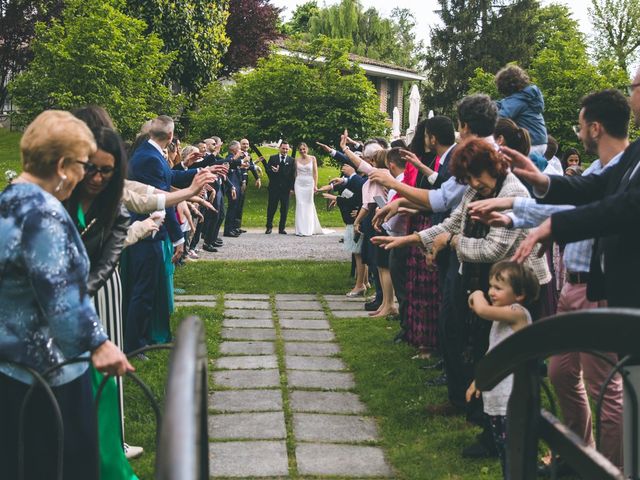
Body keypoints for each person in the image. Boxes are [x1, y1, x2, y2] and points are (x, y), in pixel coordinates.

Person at [475, 88, 631, 471]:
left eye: (579, 126)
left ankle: (607, 467)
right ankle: (576, 451)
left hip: (601, 287)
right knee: (561, 374)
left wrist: (517, 208)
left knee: (605, 389)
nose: (577, 133)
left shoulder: (627, 166)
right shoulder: (601, 169)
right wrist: (522, 202)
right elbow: (576, 193)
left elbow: (597, 208)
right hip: (573, 286)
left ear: (594, 128)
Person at [372, 138, 551, 459]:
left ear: (493, 168)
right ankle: (490, 425)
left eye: (476, 177)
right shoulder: (477, 190)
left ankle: (510, 433)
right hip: (495, 282)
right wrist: (411, 239)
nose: (473, 184)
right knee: (485, 350)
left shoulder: (513, 193)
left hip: (522, 289)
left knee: (514, 363)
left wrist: (451, 241)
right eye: (468, 179)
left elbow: (494, 248)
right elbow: (453, 222)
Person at [0, 110, 132, 480]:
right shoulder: (44, 214)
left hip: (10, 369)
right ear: (61, 165)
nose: (83, 175)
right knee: (63, 467)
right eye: (81, 165)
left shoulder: (8, 199)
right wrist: (99, 344)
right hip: (48, 375)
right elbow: (59, 293)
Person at [124, 115, 197, 352]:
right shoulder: (148, 158)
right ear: (171, 136)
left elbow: (170, 177)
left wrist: (197, 171)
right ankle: (136, 344)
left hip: (151, 229)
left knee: (149, 290)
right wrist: (178, 238)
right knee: (143, 292)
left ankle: (145, 337)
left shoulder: (151, 153)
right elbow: (162, 199)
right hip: (147, 232)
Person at [466, 261, 539, 478]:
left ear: (520, 294)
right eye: (490, 286)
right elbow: (494, 354)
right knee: (505, 455)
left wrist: (476, 293)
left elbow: (482, 310)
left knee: (515, 456)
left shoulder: (518, 313)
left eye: (498, 288)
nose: (490, 292)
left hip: (513, 399)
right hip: (498, 397)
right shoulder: (502, 317)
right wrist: (479, 380)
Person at [495, 64, 548, 156]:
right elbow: (503, 103)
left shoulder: (518, 100)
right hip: (541, 141)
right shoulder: (526, 96)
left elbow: (502, 116)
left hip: (531, 143)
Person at [263, 141, 295, 234]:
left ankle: (282, 228)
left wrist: (292, 188)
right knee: (271, 208)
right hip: (274, 188)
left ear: (288, 149)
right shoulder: (273, 158)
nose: (285, 150)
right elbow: (268, 171)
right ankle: (269, 227)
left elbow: (292, 176)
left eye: (286, 149)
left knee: (284, 209)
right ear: (279, 148)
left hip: (286, 189)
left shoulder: (291, 160)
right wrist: (274, 171)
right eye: (283, 148)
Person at [294, 142, 323, 236]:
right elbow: (295, 173)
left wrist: (315, 185)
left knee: (309, 204)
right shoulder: (296, 159)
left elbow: (315, 173)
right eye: (300, 149)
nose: (302, 151)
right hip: (299, 183)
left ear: (307, 149)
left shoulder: (312, 158)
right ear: (299, 151)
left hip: (309, 183)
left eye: (304, 149)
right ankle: (300, 229)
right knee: (300, 204)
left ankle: (309, 229)